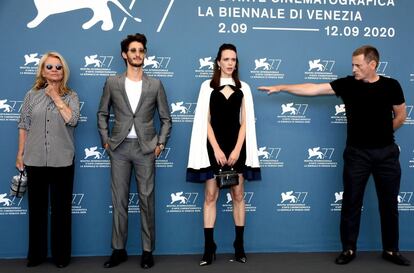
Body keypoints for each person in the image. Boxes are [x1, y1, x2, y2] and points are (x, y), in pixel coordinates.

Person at [258, 45, 410, 266]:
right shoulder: (348, 84)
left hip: (386, 154)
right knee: (350, 202)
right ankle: (348, 249)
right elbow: (313, 89)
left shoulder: (391, 85)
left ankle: (391, 250)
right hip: (357, 154)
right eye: (352, 64)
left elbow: (401, 115)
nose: (354, 68)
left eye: (358, 65)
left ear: (372, 65)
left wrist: (383, 135)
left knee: (389, 204)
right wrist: (282, 87)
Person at [97, 33, 172, 269]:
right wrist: (106, 141)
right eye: (133, 51)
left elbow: (166, 118)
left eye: (141, 50)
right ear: (124, 55)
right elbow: (102, 114)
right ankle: (118, 250)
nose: (137, 54)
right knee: (119, 201)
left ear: (144, 54)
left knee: (146, 201)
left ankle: (147, 251)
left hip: (145, 149)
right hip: (118, 148)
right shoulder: (112, 82)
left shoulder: (155, 84)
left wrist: (159, 144)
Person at [187, 43, 261, 266]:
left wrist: (238, 149)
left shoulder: (244, 88)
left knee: (238, 196)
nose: (230, 63)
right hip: (212, 148)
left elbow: (246, 122)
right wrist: (217, 148)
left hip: (237, 146)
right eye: (226, 59)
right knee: (210, 197)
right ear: (218, 62)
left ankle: (239, 246)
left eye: (234, 59)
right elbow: (204, 121)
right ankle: (209, 248)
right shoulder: (207, 87)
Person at [16, 52, 80, 268]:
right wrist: (20, 153)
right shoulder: (31, 96)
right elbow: (24, 124)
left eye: (58, 67)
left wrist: (55, 97)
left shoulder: (71, 96)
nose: (54, 70)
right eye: (49, 67)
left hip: (62, 161)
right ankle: (36, 255)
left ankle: (61, 256)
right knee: (37, 210)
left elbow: (72, 120)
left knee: (61, 211)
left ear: (64, 72)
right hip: (34, 159)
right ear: (42, 71)